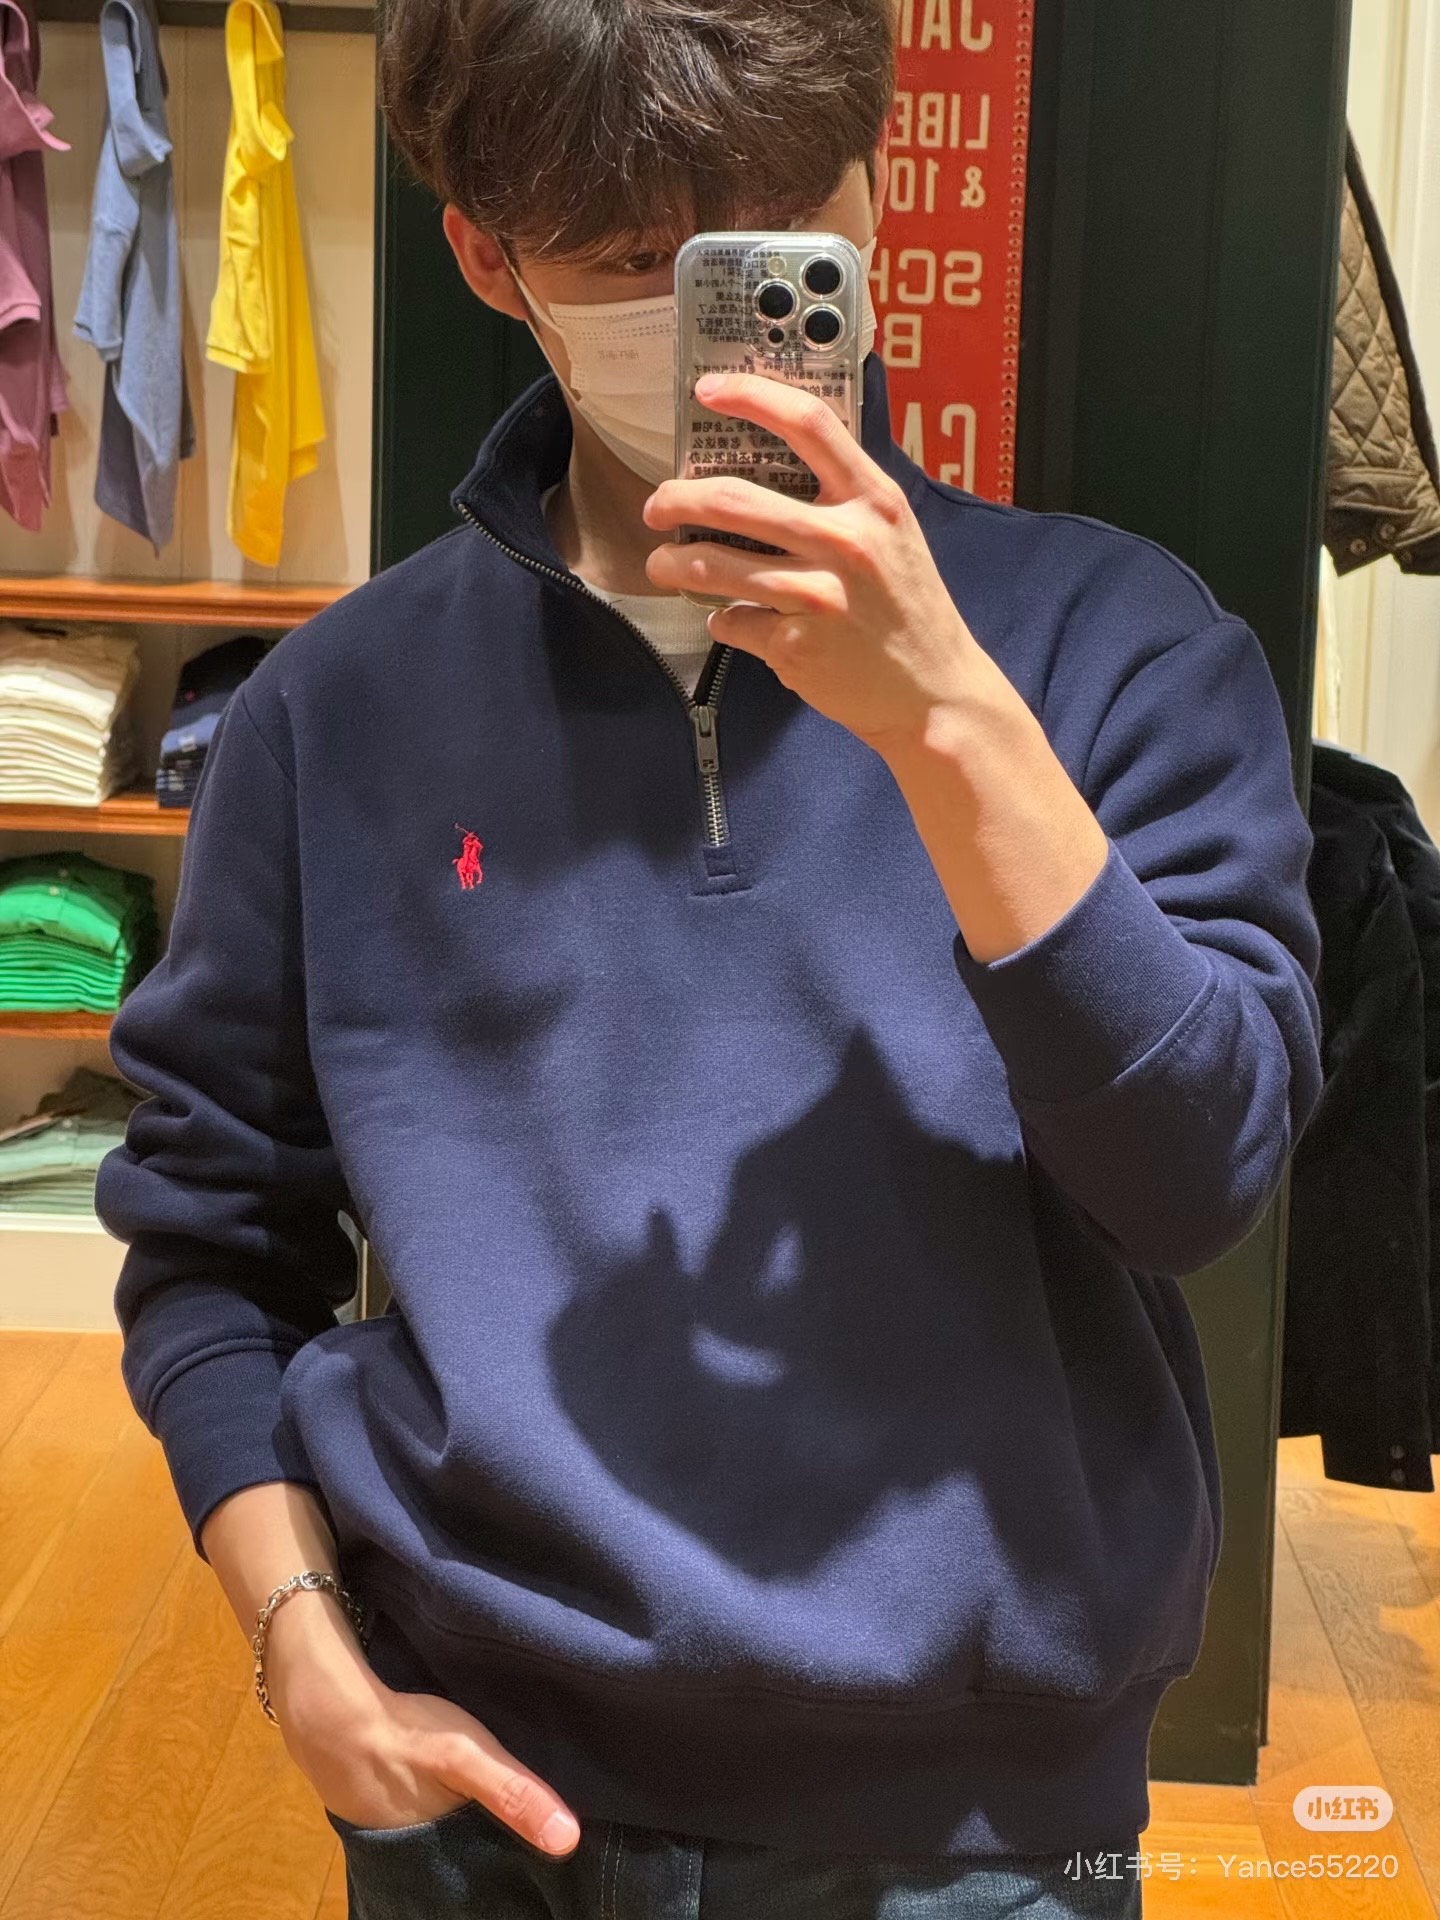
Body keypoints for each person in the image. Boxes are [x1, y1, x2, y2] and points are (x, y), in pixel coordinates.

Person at [94, 1, 1324, 1915]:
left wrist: (947, 727)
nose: (714, 315)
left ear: (872, 184)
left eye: (775, 229)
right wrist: (301, 1650)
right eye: (629, 262)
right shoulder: (335, 716)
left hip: (985, 1839)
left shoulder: (1118, 649)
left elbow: (1199, 1182)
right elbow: (209, 1244)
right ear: (485, 259)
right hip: (486, 1802)